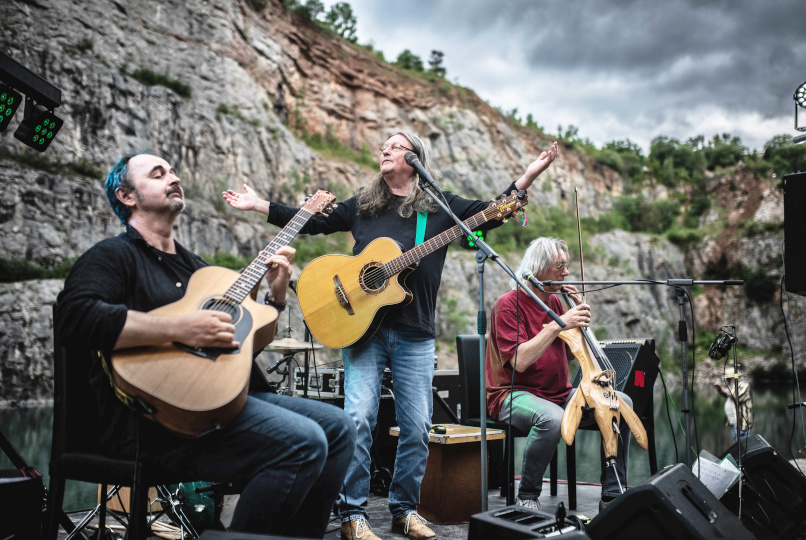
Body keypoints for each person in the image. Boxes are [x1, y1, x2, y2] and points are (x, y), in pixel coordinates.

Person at [223, 131, 557, 540]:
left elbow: (492, 212)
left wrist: (527, 177)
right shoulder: (364, 205)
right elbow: (313, 223)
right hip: (362, 330)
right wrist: (260, 204)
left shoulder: (438, 205)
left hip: (415, 332)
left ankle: (404, 509)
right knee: (359, 419)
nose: (384, 149)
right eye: (383, 144)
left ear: (415, 157)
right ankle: (352, 515)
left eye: (395, 145)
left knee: (417, 427)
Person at [54, 153, 355, 537]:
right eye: (158, 174)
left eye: (174, 171)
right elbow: (73, 318)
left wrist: (276, 298)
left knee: (340, 426)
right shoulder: (114, 255)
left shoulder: (197, 268)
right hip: (149, 418)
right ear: (127, 196)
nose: (174, 177)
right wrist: (179, 328)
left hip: (216, 404)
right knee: (304, 441)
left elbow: (235, 348)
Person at [485, 237, 632, 513]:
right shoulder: (507, 304)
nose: (566, 273)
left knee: (618, 403)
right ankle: (527, 496)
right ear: (538, 269)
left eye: (566, 266)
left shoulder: (556, 302)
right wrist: (558, 324)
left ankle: (613, 495)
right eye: (559, 266)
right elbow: (520, 361)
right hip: (512, 395)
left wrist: (582, 318)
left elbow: (576, 354)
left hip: (559, 394)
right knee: (552, 418)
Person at [714, 365, 753, 443]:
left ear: (734, 378)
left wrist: (723, 388)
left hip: (742, 422)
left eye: (728, 379)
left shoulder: (744, 386)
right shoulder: (733, 386)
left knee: (743, 445)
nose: (727, 381)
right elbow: (727, 395)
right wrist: (720, 389)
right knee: (737, 444)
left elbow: (737, 397)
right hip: (733, 422)